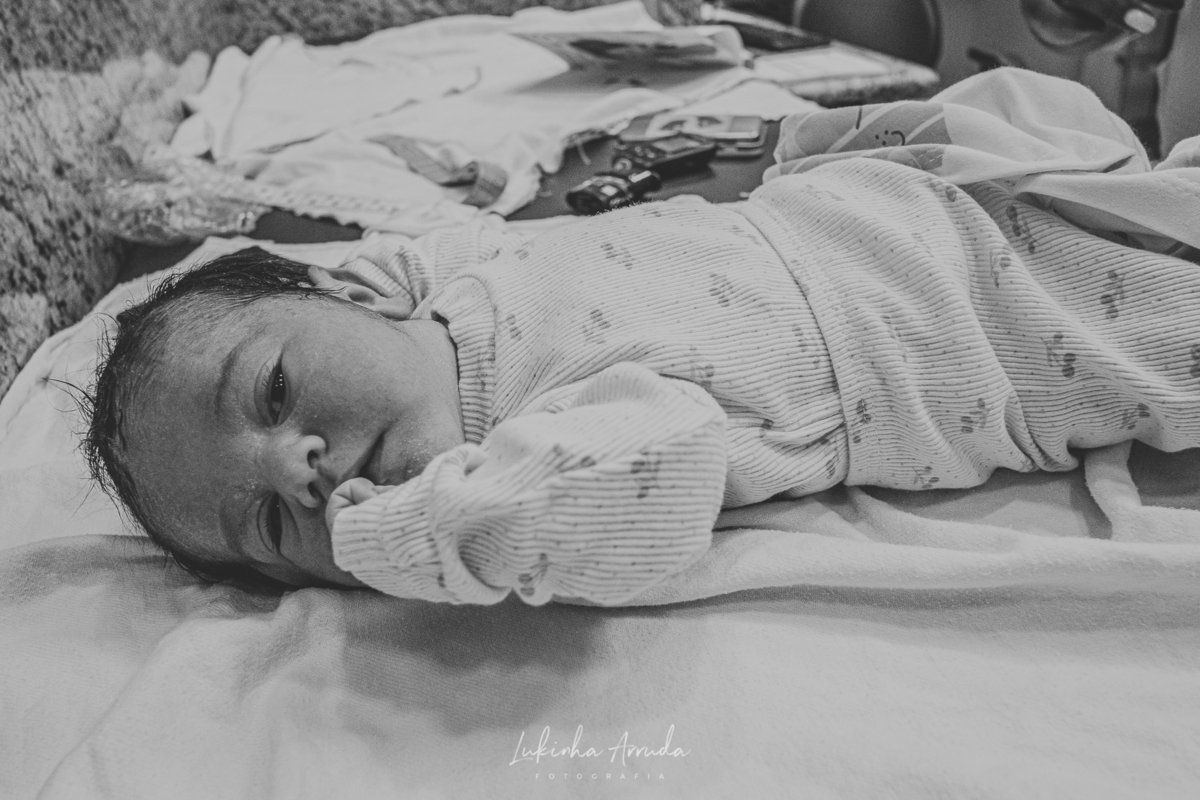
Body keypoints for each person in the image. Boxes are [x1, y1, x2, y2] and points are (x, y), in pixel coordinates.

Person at [83, 69, 1200, 606]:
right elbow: (653, 475)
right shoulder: (525, 453)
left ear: (337, 298)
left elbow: (409, 254)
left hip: (901, 199)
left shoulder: (437, 283)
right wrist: (405, 534)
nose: (301, 470)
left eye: (273, 392)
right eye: (269, 522)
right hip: (982, 334)